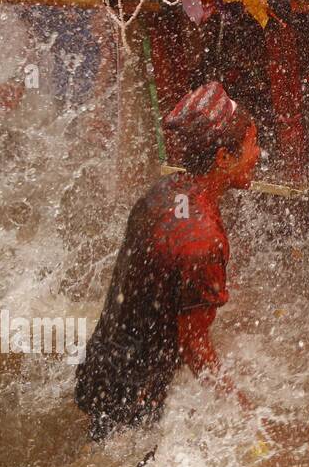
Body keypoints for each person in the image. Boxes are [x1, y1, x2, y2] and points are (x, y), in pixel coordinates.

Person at [75, 83, 259, 439]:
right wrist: (243, 412)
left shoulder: (160, 195)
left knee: (100, 453)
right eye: (253, 144)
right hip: (138, 391)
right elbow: (195, 346)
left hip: (100, 366)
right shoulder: (204, 239)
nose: (258, 154)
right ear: (223, 158)